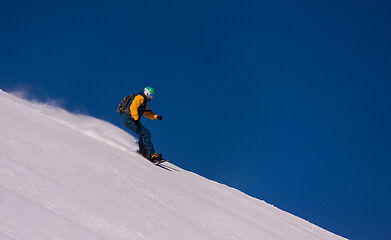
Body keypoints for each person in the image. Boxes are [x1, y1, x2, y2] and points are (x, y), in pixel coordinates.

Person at [120, 87, 163, 162]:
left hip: (130, 119)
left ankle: (143, 152)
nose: (150, 98)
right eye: (150, 95)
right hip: (129, 119)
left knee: (142, 133)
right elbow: (133, 107)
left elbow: (147, 113)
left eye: (152, 96)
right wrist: (136, 118)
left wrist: (156, 116)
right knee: (146, 133)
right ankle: (151, 154)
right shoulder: (140, 98)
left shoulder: (143, 102)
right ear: (146, 93)